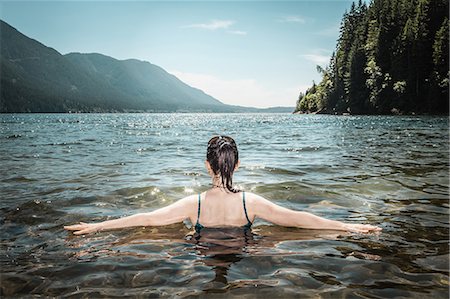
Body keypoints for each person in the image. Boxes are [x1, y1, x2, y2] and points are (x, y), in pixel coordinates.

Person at [65, 135, 382, 235]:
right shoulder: (251, 203)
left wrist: (96, 227)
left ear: (207, 165)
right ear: (238, 165)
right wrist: (350, 227)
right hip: (244, 254)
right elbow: (301, 220)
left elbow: (145, 218)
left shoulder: (194, 204)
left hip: (200, 256)